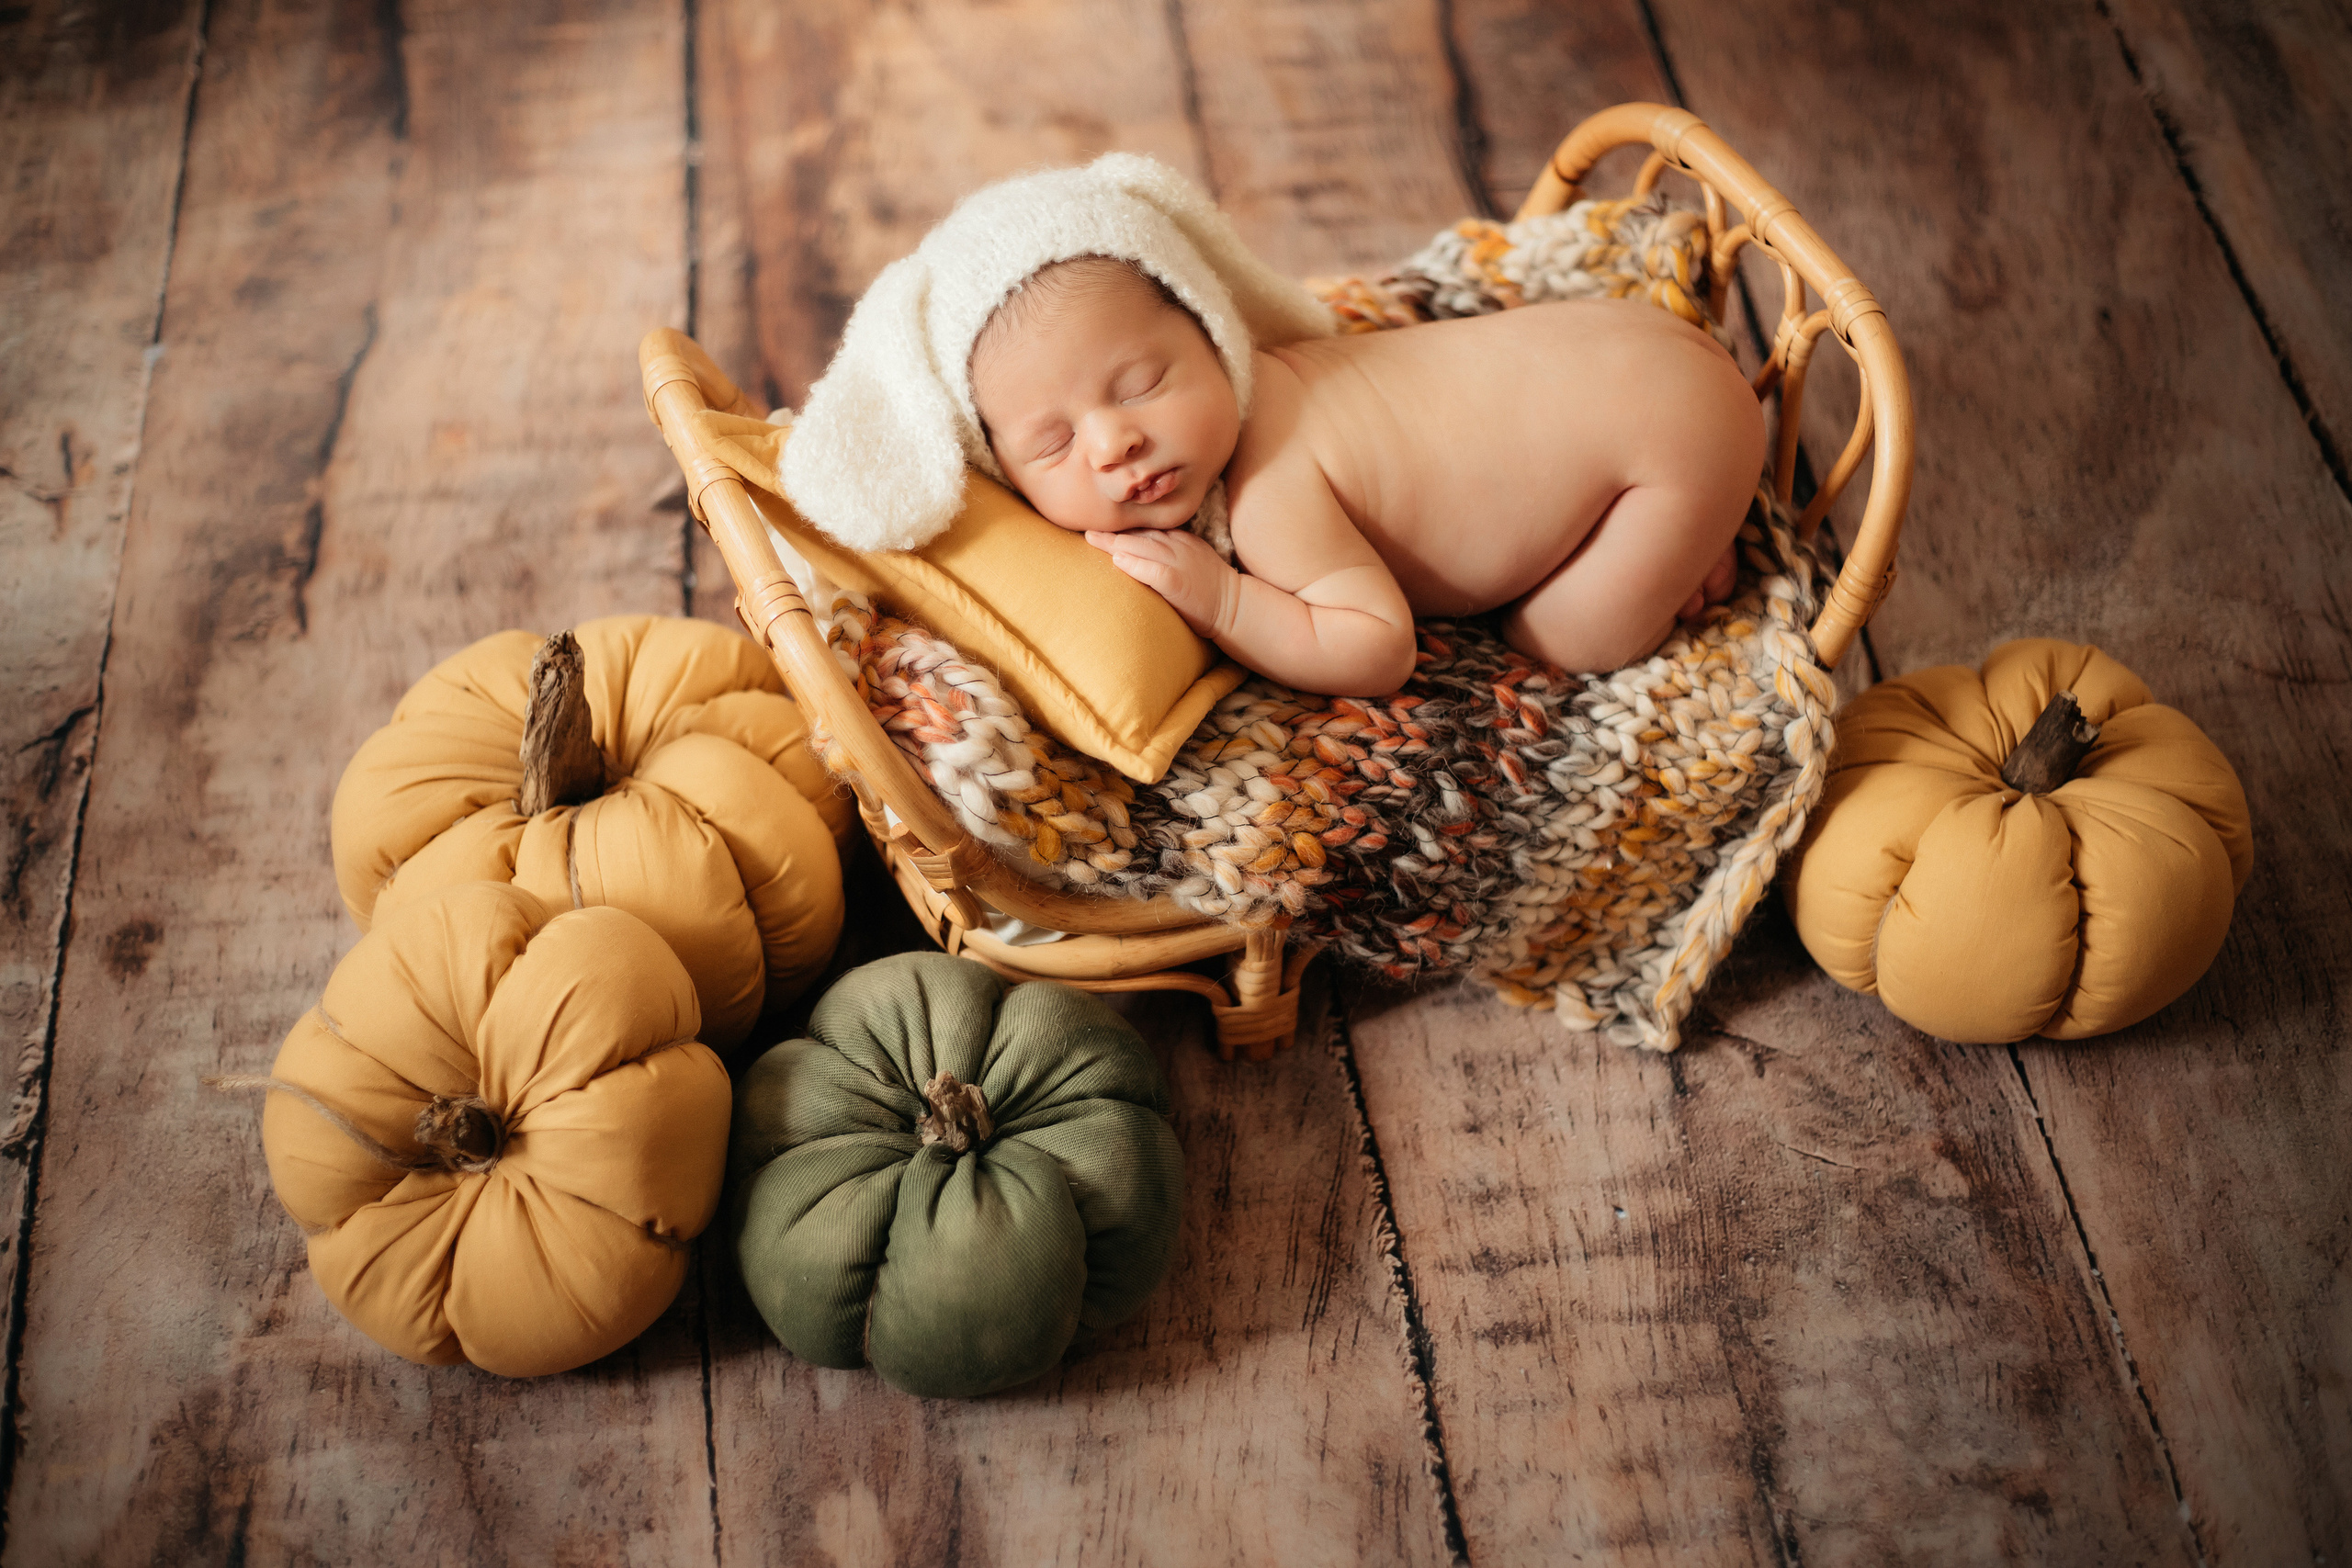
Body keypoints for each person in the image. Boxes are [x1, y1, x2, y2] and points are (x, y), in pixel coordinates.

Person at [781, 153, 1764, 697]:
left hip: (1674, 433)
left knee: (1558, 634)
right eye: (1051, 444)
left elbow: (1379, 648)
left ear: (1219, 334)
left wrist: (1225, 601)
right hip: (1634, 350)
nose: (1113, 442)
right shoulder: (1279, 387)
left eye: (1142, 381)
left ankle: (1687, 530)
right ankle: (1685, 524)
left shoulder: (1268, 497)